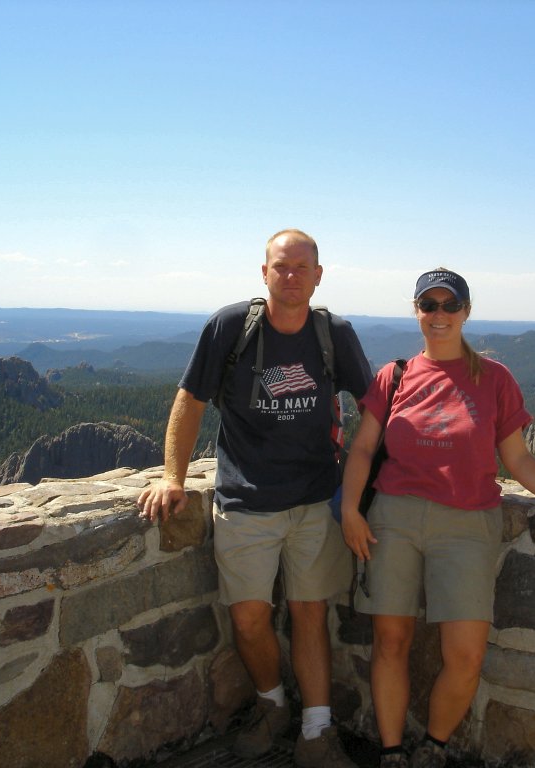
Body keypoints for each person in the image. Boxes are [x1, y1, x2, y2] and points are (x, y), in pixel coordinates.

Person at [340, 268, 535, 768]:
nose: (438, 315)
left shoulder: (494, 378)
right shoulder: (394, 376)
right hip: (393, 517)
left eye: (449, 305)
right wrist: (351, 511)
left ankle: (435, 747)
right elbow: (362, 449)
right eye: (428, 305)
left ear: (465, 311)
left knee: (465, 654)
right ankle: (393, 752)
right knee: (390, 641)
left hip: (467, 524)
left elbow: (518, 459)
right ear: (416, 311)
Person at [138, 229, 372, 768]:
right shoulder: (229, 328)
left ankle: (317, 730)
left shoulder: (333, 332)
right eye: (280, 267)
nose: (290, 277)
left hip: (316, 500)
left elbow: (373, 408)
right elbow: (190, 400)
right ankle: (271, 706)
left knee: (310, 614)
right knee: (248, 618)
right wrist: (173, 475)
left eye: (301, 268)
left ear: (318, 275)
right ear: (262, 273)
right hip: (245, 500)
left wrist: (364, 490)